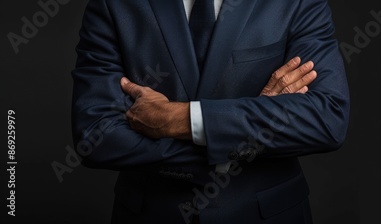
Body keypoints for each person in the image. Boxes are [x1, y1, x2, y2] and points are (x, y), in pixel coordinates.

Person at [71, 0, 349, 223]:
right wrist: (248, 126)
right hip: (152, 213)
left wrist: (178, 119)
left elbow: (327, 117)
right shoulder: (113, 4)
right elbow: (96, 134)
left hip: (266, 214)